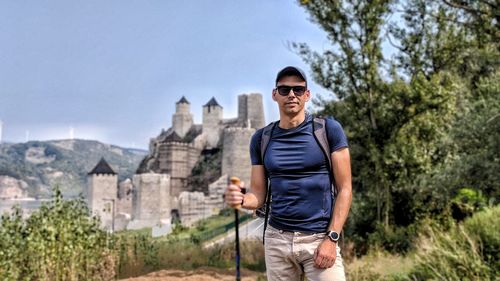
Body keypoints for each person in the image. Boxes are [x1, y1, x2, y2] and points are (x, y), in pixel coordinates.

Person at [225, 66, 352, 281]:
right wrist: (241, 199)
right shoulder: (261, 139)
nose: (291, 95)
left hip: (319, 238)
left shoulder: (328, 130)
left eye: (298, 89)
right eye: (284, 90)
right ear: (274, 95)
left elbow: (345, 189)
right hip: (277, 241)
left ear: (307, 95)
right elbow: (258, 194)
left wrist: (332, 238)